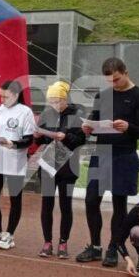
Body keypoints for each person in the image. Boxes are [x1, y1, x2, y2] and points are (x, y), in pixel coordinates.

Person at [77, 57, 139, 267]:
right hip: (101, 153)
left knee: (119, 204)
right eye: (110, 81)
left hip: (124, 155)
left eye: (117, 79)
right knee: (91, 200)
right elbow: (94, 120)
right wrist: (88, 128)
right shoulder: (103, 96)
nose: (114, 84)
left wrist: (128, 127)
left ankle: (113, 247)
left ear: (125, 72)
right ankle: (95, 246)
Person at [33, 81, 86, 258]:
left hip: (68, 167)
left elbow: (81, 139)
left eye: (57, 101)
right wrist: (37, 136)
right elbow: (41, 140)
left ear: (65, 99)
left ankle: (63, 242)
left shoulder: (77, 113)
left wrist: (66, 137)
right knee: (47, 204)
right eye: (51, 101)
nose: (54, 105)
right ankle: (47, 242)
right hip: (49, 164)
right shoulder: (47, 114)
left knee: (65, 205)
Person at [0, 80, 34, 250]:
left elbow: (29, 139)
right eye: (1, 96)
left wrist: (13, 144)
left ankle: (9, 234)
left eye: (5, 96)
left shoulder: (25, 112)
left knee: (15, 198)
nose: (2, 99)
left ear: (16, 95)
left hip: (15, 161)